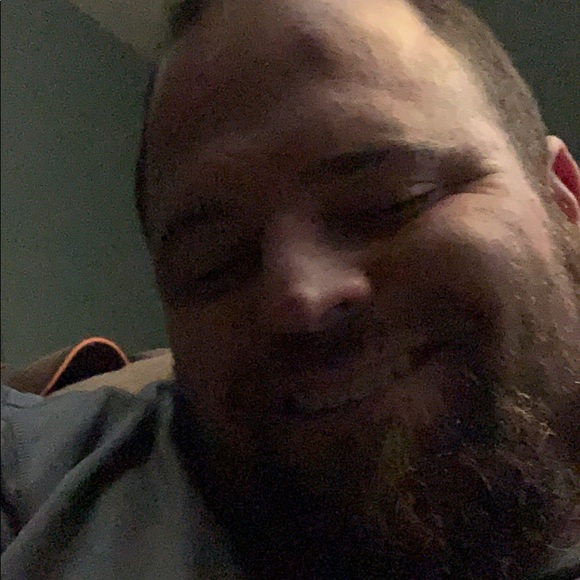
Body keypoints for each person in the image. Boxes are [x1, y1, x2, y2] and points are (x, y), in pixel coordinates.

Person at [2, 0, 579, 578]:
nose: (301, 297)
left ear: (564, 201)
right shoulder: (44, 491)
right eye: (214, 264)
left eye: (390, 201)